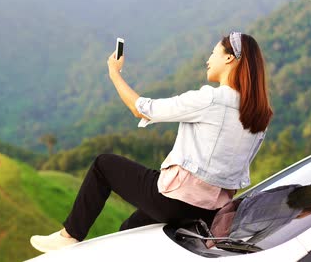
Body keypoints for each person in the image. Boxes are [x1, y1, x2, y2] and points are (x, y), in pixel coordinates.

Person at [30, 32, 273, 252]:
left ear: (230, 59)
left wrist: (114, 73)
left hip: (175, 200)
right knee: (129, 229)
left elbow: (143, 109)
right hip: (209, 212)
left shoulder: (211, 99)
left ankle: (69, 234)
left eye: (213, 53)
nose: (207, 59)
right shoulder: (260, 115)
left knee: (103, 165)